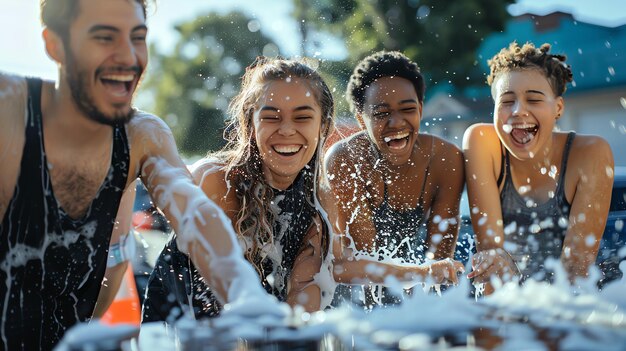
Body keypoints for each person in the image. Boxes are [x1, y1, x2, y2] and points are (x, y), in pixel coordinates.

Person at [0, 1, 276, 349]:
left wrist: (246, 293)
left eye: (137, 38)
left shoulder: (141, 136)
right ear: (55, 44)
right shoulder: (8, 109)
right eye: (105, 37)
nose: (128, 57)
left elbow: (197, 216)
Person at [142, 57, 334, 323]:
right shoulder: (218, 181)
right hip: (180, 332)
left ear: (323, 125)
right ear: (250, 123)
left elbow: (304, 294)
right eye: (270, 117)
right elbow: (229, 290)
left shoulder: (317, 201)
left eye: (302, 117)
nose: (287, 129)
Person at [463, 42, 614, 294]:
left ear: (558, 108)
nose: (518, 111)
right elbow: (491, 265)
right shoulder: (482, 142)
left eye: (533, 99)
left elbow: (576, 274)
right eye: (506, 101)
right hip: (508, 301)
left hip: (566, 308)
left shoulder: (590, 154)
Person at [322, 51, 465, 307]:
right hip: (355, 286)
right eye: (380, 113)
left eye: (408, 109)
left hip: (409, 285)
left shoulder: (446, 160)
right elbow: (357, 258)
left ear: (420, 109)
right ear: (360, 118)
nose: (396, 122)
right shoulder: (346, 159)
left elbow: (440, 261)